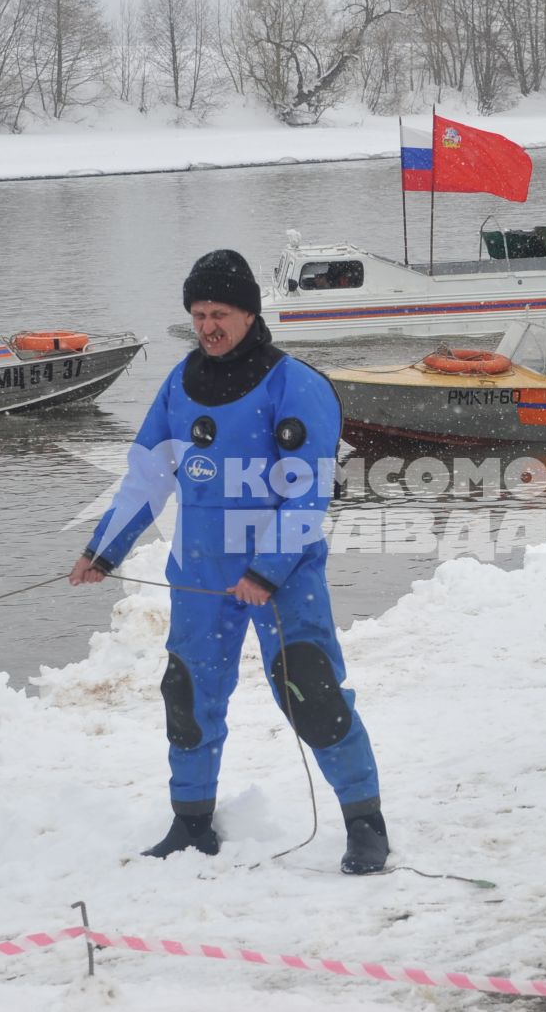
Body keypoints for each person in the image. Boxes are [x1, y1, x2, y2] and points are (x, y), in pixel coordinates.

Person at [67, 250, 389, 875]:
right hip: (201, 572)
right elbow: (145, 478)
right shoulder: (179, 384)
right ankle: (191, 822)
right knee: (188, 696)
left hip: (282, 574)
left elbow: (308, 493)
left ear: (248, 313)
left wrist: (265, 572)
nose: (207, 326)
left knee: (312, 694)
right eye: (197, 314)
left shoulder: (296, 384)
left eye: (219, 313)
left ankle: (365, 823)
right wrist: (103, 551)